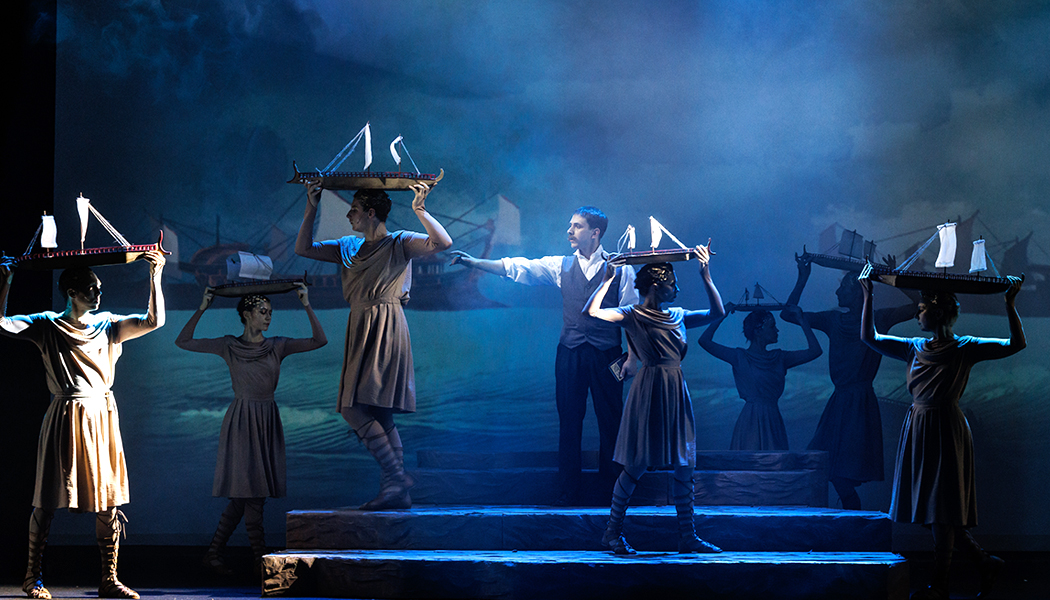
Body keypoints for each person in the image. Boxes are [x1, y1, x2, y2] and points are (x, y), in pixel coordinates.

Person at [0, 251, 166, 600]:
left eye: (99, 287)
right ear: (72, 292)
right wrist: (6, 279)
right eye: (91, 288)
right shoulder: (47, 324)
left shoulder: (108, 324)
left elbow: (154, 321)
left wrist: (156, 274)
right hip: (65, 414)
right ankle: (32, 577)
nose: (98, 293)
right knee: (47, 498)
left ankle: (109, 578)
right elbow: (0, 322)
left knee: (108, 500)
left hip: (101, 415)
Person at [450, 207, 637, 506]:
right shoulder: (561, 265)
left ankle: (611, 492)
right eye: (570, 225)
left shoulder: (621, 268)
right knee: (569, 421)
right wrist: (476, 262)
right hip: (570, 352)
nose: (569, 231)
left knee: (611, 421)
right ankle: (568, 492)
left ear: (595, 232)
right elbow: (519, 267)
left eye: (576, 226)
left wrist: (632, 357)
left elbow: (631, 315)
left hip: (607, 354)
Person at [859, 272, 1025, 600]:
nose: (917, 315)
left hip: (946, 427)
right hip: (919, 426)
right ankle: (983, 562)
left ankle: (942, 584)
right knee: (934, 507)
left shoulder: (965, 347)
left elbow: (1015, 344)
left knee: (941, 506)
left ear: (935, 313)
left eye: (921, 309)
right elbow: (869, 337)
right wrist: (868, 295)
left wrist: (1009, 303)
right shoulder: (913, 347)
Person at [295, 180, 452, 510]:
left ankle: (396, 478)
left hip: (386, 323)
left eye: (354, 209)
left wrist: (420, 210)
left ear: (370, 213)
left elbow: (443, 242)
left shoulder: (399, 242)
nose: (348, 215)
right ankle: (397, 491)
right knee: (378, 411)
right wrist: (312, 205)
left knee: (352, 408)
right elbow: (303, 248)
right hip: (360, 322)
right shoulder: (347, 246)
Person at [175, 283, 326, 574]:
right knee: (253, 494)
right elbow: (183, 341)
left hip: (267, 420)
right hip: (242, 422)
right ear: (246, 314)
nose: (268, 317)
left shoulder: (277, 345)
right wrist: (202, 308)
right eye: (262, 311)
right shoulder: (228, 345)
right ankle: (260, 560)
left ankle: (214, 554)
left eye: (270, 312)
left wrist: (306, 303)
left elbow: (319, 340)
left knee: (245, 496)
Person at [585, 247, 725, 555]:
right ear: (656, 286)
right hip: (649, 390)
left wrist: (705, 275)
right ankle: (612, 533)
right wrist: (607, 279)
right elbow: (592, 312)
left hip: (675, 389)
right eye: (672, 283)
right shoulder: (632, 315)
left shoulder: (679, 315)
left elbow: (718, 313)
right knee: (637, 464)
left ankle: (687, 536)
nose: (677, 289)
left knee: (684, 463)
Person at [783, 254, 918, 509]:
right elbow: (788, 314)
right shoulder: (833, 319)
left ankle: (852, 514)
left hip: (858, 402)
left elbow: (918, 305)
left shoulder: (879, 318)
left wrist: (893, 277)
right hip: (840, 400)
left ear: (857, 292)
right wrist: (802, 278)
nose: (837, 291)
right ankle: (848, 510)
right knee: (823, 461)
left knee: (841, 467)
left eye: (843, 287)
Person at [698, 302, 822, 451]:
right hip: (751, 421)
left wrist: (802, 320)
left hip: (773, 419)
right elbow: (704, 341)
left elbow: (815, 351)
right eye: (772, 326)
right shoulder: (740, 357)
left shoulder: (780, 358)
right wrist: (722, 315)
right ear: (758, 331)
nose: (777, 330)